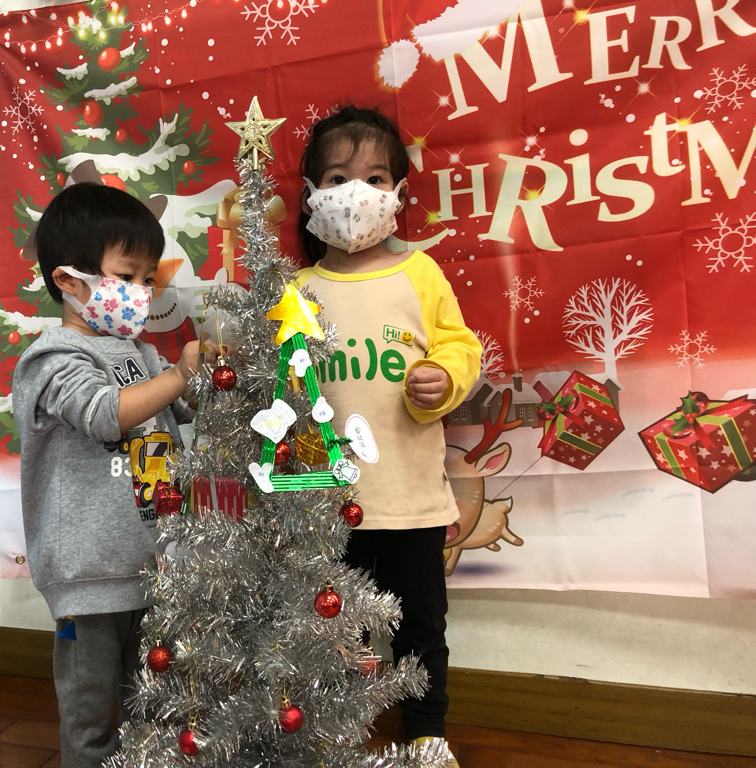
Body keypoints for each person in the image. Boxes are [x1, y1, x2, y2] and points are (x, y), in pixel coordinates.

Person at [295, 106, 482, 763]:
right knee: (333, 626)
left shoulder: (419, 274)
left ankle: (427, 730)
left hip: (409, 501)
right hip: (324, 503)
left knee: (421, 627)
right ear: (311, 193)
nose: (356, 194)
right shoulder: (297, 289)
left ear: (399, 193)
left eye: (375, 178)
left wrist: (444, 376)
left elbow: (461, 346)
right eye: (338, 178)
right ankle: (335, 726)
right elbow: (278, 384)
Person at [12, 183, 200, 768]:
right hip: (89, 576)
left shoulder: (140, 353)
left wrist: (210, 375)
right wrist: (178, 376)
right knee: (90, 712)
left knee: (155, 705)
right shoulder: (52, 357)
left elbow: (182, 406)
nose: (141, 292)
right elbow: (102, 414)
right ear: (70, 281)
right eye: (127, 276)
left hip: (153, 563)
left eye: (147, 279)